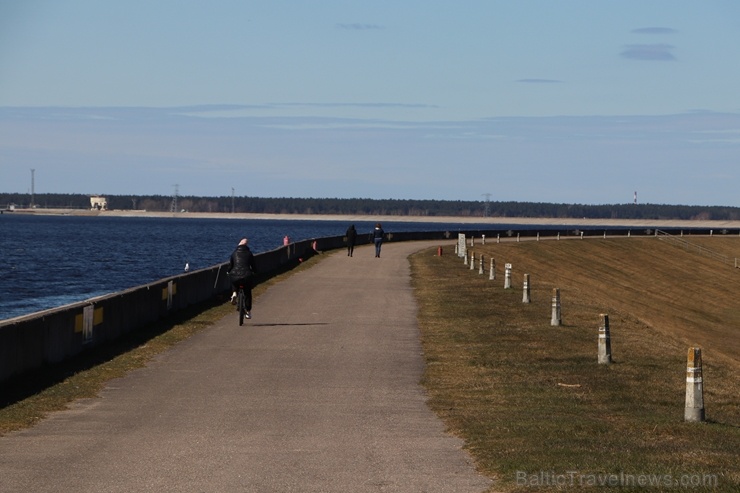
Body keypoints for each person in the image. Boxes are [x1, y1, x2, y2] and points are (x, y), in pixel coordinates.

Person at [227, 238, 257, 319]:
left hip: (235, 275)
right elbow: (253, 266)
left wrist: (228, 271)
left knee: (233, 280)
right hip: (247, 275)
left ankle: (234, 293)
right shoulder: (249, 253)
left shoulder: (234, 253)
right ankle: (248, 312)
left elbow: (231, 266)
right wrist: (255, 272)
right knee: (247, 293)